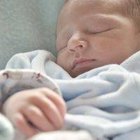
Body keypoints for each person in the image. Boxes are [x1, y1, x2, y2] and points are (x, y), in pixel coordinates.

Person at [2, 0, 140, 139]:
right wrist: (12, 103)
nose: (73, 43)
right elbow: (6, 86)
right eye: (63, 42)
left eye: (97, 30)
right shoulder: (40, 67)